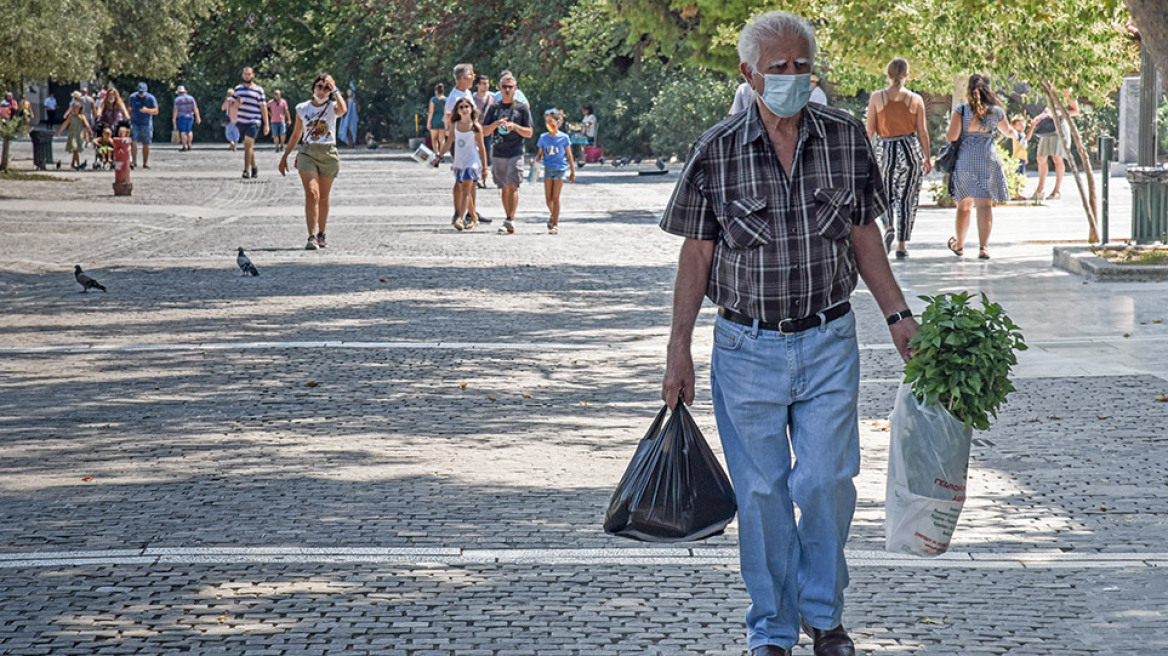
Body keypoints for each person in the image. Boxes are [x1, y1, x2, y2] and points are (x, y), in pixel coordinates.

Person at [659, 11, 918, 656]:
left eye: (803, 66)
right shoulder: (716, 149)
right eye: (779, 69)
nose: (794, 78)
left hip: (829, 339)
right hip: (745, 349)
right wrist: (677, 348)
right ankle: (773, 627)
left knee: (827, 481)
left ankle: (824, 617)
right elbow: (696, 255)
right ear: (749, 74)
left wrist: (898, 316)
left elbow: (865, 236)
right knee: (763, 492)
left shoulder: (843, 138)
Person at [945, 74, 1019, 260]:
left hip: (966, 159)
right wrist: (1017, 134)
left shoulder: (961, 111)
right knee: (985, 205)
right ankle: (983, 247)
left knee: (964, 206)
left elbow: (951, 137)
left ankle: (959, 245)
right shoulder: (996, 112)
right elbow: (1008, 131)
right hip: (988, 159)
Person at [865, 57, 931, 258]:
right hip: (910, 150)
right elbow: (922, 132)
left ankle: (888, 227)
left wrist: (864, 154)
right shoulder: (915, 99)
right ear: (907, 75)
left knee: (883, 194)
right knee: (907, 198)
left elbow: (870, 130)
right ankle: (901, 246)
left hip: (885, 149)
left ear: (888, 74)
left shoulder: (877, 98)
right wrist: (927, 157)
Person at [279, 73, 347, 250]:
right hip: (308, 152)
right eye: (320, 87)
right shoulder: (302, 108)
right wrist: (285, 156)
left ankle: (321, 233)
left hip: (328, 153)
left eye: (326, 88)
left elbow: (343, 110)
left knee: (323, 197)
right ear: (313, 88)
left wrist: (336, 90)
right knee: (312, 193)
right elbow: (296, 134)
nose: (322, 91)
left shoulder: (332, 107)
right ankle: (311, 236)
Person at [482, 71, 534, 234]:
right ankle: (507, 216)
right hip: (498, 151)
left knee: (513, 185)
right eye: (504, 87)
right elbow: (483, 131)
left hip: (516, 151)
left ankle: (510, 218)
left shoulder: (522, 108)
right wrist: (496, 124)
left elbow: (530, 132)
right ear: (499, 88)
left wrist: (515, 127)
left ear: (515, 88)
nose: (507, 90)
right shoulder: (493, 108)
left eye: (510, 87)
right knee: (504, 186)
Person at [431, 97, 488, 231]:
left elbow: (482, 146)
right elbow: (449, 142)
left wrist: (485, 167)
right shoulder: (455, 125)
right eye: (461, 107)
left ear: (471, 109)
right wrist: (439, 156)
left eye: (466, 107)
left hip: (472, 161)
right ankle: (473, 216)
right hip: (459, 161)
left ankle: (460, 218)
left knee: (466, 190)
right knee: (464, 190)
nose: (464, 109)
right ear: (457, 110)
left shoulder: (476, 127)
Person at [445, 63, 484, 224]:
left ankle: (470, 212)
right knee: (460, 180)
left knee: (470, 179)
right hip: (460, 141)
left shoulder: (466, 93)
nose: (474, 78)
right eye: (472, 75)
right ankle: (459, 212)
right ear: (464, 77)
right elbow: (449, 120)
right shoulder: (454, 98)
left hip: (471, 140)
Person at [1024, 89, 1079, 200]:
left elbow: (1076, 111)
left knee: (1057, 158)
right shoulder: (1049, 91)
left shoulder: (1067, 91)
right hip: (1047, 128)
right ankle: (1040, 189)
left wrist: (1059, 114)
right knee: (1041, 157)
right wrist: (1040, 116)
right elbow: (1046, 109)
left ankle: (1056, 190)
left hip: (1059, 128)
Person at [534, 108, 576, 234]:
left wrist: (573, 171)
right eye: (547, 122)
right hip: (548, 168)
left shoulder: (564, 138)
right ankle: (553, 215)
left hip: (560, 169)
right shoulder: (543, 138)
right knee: (548, 198)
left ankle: (555, 224)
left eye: (551, 122)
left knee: (556, 197)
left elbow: (569, 155)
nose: (549, 125)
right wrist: (535, 163)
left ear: (558, 122)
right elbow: (540, 154)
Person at [231, 66, 270, 178]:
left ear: (253, 75)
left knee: (248, 144)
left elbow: (263, 107)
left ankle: (246, 170)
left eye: (249, 74)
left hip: (254, 121)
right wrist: (237, 103)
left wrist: (266, 124)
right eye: (245, 74)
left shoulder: (259, 90)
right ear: (242, 75)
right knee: (248, 147)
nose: (247, 76)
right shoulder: (238, 89)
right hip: (241, 121)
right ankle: (254, 167)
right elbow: (233, 107)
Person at [128, 82, 159, 168]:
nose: (141, 95)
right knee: (133, 141)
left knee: (146, 143)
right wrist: (128, 118)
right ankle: (134, 161)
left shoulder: (151, 98)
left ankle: (145, 162)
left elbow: (156, 111)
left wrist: (147, 110)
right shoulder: (132, 97)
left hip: (146, 123)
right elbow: (130, 109)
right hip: (134, 122)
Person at [55, 101, 90, 170]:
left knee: (76, 150)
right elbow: (65, 124)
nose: (75, 110)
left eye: (76, 108)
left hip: (79, 135)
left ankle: (76, 164)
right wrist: (59, 132)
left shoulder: (82, 117)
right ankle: (74, 164)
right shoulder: (71, 117)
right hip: (72, 135)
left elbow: (87, 125)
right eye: (74, 108)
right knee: (75, 148)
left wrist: (88, 132)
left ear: (80, 109)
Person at [173, 86, 201, 152]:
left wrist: (174, 118)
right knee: (189, 131)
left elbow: (176, 110)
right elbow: (195, 108)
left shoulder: (177, 99)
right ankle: (189, 145)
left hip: (181, 117)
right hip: (190, 116)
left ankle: (184, 146)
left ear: (179, 92)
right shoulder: (191, 98)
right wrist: (198, 117)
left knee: (183, 132)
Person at [427, 83, 448, 159]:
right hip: (443, 120)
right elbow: (447, 112)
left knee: (434, 139)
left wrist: (428, 122)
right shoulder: (446, 100)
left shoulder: (433, 100)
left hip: (434, 120)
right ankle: (441, 155)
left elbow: (431, 112)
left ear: (436, 91)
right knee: (442, 139)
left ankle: (436, 154)